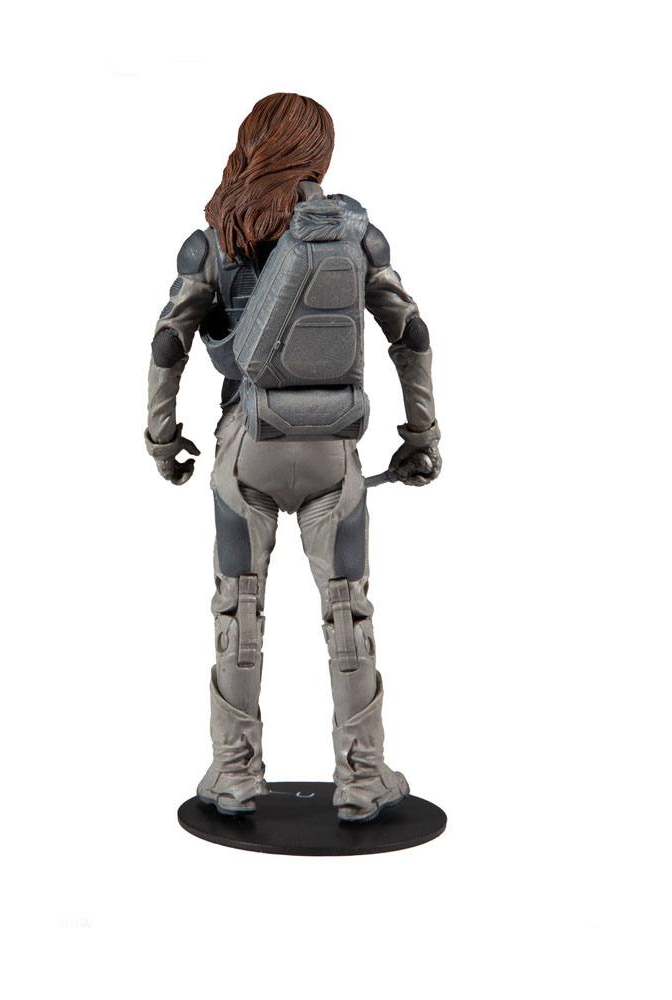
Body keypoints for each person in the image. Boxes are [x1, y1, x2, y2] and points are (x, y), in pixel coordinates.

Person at [145, 93, 441, 821]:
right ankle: (363, 777)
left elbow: (168, 342)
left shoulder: (214, 240)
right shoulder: (354, 237)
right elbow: (411, 334)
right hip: (333, 448)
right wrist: (421, 435)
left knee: (237, 607)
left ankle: (234, 773)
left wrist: (161, 436)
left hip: (245, 445)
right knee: (348, 613)